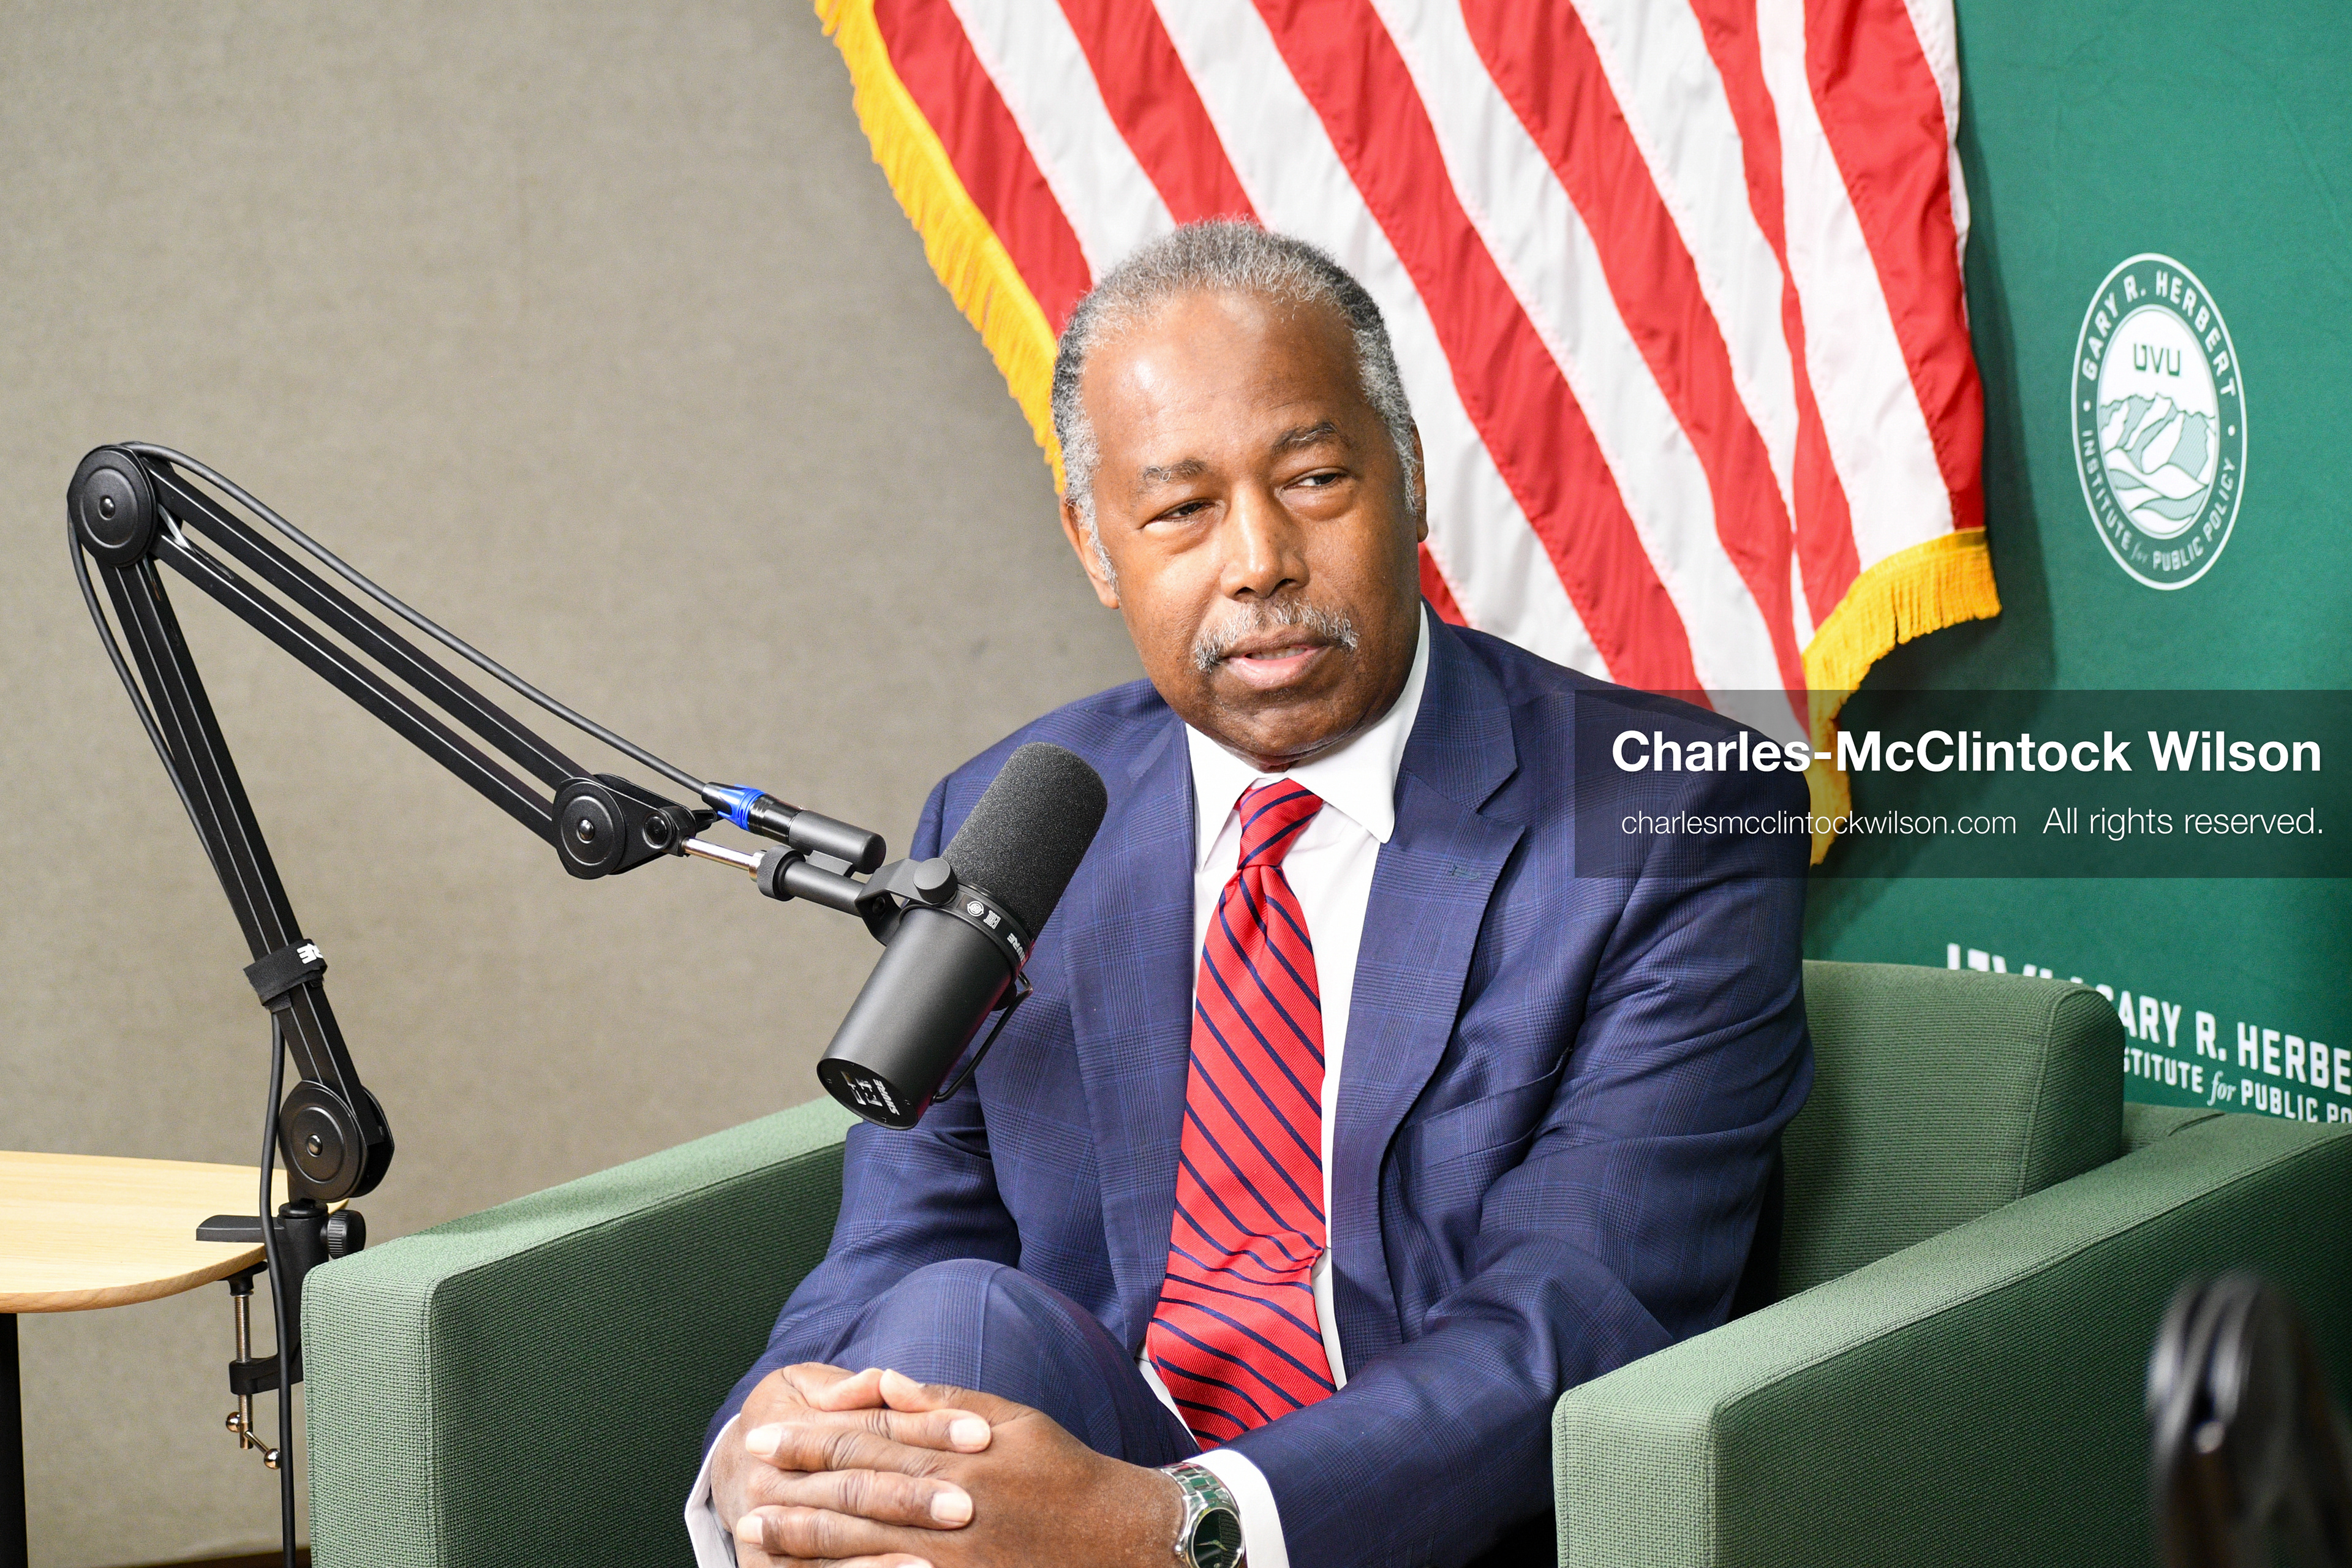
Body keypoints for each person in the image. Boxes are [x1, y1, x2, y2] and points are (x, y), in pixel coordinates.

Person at [687, 221, 1812, 1568]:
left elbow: (1582, 1309)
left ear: (1409, 482)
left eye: (1317, 477)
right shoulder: (1016, 826)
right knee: (937, 1338)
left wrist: (1184, 1524)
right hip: (1063, 1489)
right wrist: (779, 1441)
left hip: (1404, 1520)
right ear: (1096, 547)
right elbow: (895, 1242)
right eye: (1180, 510)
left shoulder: (1668, 810)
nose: (1260, 559)